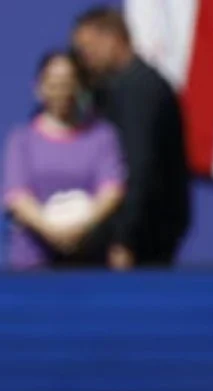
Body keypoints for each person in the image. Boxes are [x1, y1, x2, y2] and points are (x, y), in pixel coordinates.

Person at [72, 5, 190, 269]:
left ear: (113, 38)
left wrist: (125, 238)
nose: (84, 59)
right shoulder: (113, 89)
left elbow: (139, 166)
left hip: (143, 239)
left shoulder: (139, 89)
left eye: (88, 49)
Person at [2, 50, 125, 269]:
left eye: (68, 83)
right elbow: (17, 195)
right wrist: (53, 232)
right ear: (39, 88)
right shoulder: (21, 140)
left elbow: (111, 190)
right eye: (54, 84)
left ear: (80, 87)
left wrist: (79, 230)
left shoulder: (102, 136)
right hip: (33, 262)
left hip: (88, 259)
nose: (61, 91)